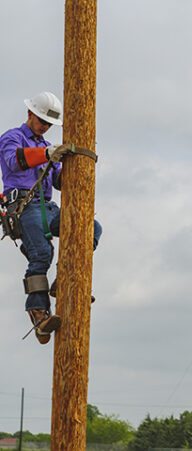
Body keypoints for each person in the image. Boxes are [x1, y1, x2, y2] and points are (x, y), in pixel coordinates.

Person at [0, 92, 102, 344]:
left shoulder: (48, 148)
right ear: (30, 114)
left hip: (47, 206)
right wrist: (48, 154)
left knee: (90, 228)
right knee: (41, 255)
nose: (44, 126)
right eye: (41, 121)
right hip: (24, 206)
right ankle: (38, 314)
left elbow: (59, 182)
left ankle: (68, 279)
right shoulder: (13, 137)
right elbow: (15, 161)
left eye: (48, 124)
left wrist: (77, 166)